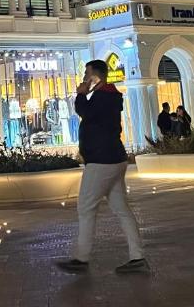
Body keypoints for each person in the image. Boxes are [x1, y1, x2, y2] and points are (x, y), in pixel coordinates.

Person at [57, 59, 147, 275]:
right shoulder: (109, 94)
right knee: (121, 208)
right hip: (114, 158)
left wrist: (80, 94)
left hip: (101, 160)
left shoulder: (103, 96)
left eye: (87, 73)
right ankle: (137, 256)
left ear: (95, 75)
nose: (84, 77)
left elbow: (86, 112)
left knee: (86, 207)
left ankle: (81, 258)